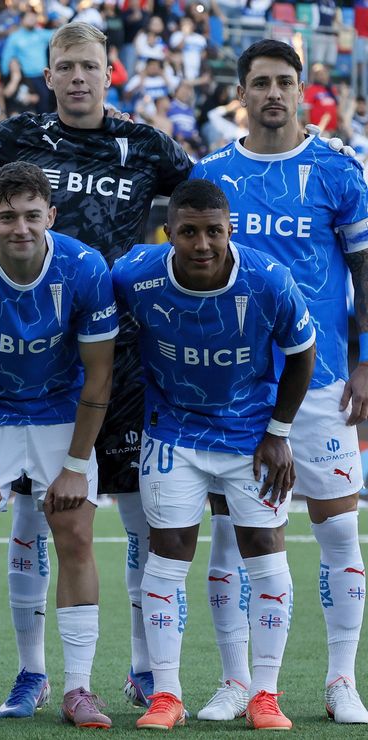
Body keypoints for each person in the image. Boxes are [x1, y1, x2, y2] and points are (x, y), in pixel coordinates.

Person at [0, 21, 195, 712]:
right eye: (66, 66)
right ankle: (26, 674)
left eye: (90, 65)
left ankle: (144, 670)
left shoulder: (149, 145)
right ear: (48, 75)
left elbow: (205, 196)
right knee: (21, 519)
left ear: (110, 72)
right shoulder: (19, 140)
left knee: (132, 519)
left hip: (113, 359)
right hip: (15, 374)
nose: (78, 76)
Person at [191, 39, 368, 723]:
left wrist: (364, 360)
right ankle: (238, 681)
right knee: (232, 537)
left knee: (338, 535)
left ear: (301, 91)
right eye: (260, 81)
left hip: (321, 384)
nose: (273, 93)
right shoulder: (213, 173)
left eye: (284, 82)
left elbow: (363, 272)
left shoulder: (337, 170)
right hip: (230, 389)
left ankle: (341, 679)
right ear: (242, 91)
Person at [112, 179, 316, 731]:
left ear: (231, 230)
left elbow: (302, 354)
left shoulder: (268, 279)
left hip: (251, 436)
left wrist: (279, 432)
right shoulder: (136, 275)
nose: (202, 244)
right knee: (169, 551)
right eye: (189, 232)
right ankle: (167, 696)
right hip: (173, 433)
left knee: (264, 551)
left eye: (214, 232)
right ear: (169, 233)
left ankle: (265, 694)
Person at [0, 162, 116, 728]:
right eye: (7, 216)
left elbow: (99, 375)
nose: (21, 228)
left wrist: (78, 465)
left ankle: (80, 689)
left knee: (77, 534)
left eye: (33, 215)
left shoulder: (85, 267)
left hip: (62, 411)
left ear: (51, 216)